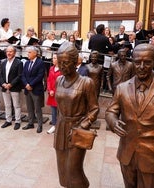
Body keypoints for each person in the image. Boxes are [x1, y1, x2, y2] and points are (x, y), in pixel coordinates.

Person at [105, 43, 154, 188]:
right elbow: (111, 111)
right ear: (132, 61)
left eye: (147, 62)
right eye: (137, 62)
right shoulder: (122, 88)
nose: (141, 66)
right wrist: (113, 121)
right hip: (127, 153)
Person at [54, 41, 99, 188]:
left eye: (65, 63)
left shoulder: (86, 82)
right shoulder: (59, 80)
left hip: (77, 129)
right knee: (62, 171)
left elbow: (94, 109)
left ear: (75, 62)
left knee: (74, 170)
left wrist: (83, 125)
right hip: (61, 128)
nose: (61, 66)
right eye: (59, 62)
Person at [21, 46, 45, 133]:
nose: (28, 54)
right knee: (29, 107)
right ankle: (30, 123)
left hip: (36, 89)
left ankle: (40, 124)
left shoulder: (40, 62)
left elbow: (40, 75)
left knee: (38, 108)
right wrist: (26, 84)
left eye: (29, 52)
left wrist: (31, 84)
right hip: (27, 89)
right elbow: (23, 75)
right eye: (27, 52)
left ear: (35, 53)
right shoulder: (27, 63)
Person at [0, 45, 24, 130]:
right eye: (7, 51)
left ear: (14, 52)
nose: (9, 53)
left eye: (11, 51)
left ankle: (17, 121)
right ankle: (8, 120)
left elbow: (19, 75)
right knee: (7, 105)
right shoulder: (3, 62)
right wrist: (3, 83)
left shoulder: (19, 62)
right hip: (4, 87)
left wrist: (11, 84)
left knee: (16, 105)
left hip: (14, 87)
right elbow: (0, 75)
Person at [46, 53, 61, 134]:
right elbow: (49, 80)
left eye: (55, 58)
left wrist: (54, 91)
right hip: (51, 93)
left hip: (59, 94)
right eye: (53, 58)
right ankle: (54, 125)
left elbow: (62, 82)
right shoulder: (51, 68)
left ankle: (60, 126)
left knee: (60, 111)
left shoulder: (62, 69)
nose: (53, 60)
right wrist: (49, 90)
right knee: (53, 110)